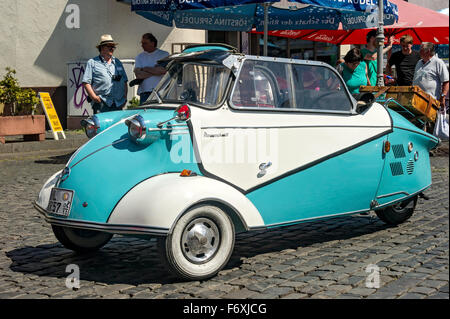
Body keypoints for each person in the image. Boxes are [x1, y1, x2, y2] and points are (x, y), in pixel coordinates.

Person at [82, 34, 128, 114]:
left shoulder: (117, 62)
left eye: (113, 46)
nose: (112, 48)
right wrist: (94, 98)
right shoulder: (92, 62)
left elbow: (124, 81)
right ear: (102, 47)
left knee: (116, 126)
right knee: (101, 126)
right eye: (109, 46)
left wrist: (125, 98)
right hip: (102, 103)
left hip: (118, 103)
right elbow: (86, 83)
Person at [413, 42, 449, 112]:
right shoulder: (419, 62)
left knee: (431, 122)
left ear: (428, 51)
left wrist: (443, 97)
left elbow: (446, 81)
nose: (419, 51)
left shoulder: (438, 62)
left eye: (421, 49)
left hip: (431, 101)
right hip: (417, 99)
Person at [134, 33, 169, 105]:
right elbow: (139, 75)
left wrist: (145, 68)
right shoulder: (139, 57)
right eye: (142, 43)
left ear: (152, 43)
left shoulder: (164, 55)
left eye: (145, 43)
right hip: (145, 92)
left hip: (161, 92)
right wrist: (156, 70)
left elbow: (164, 70)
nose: (142, 45)